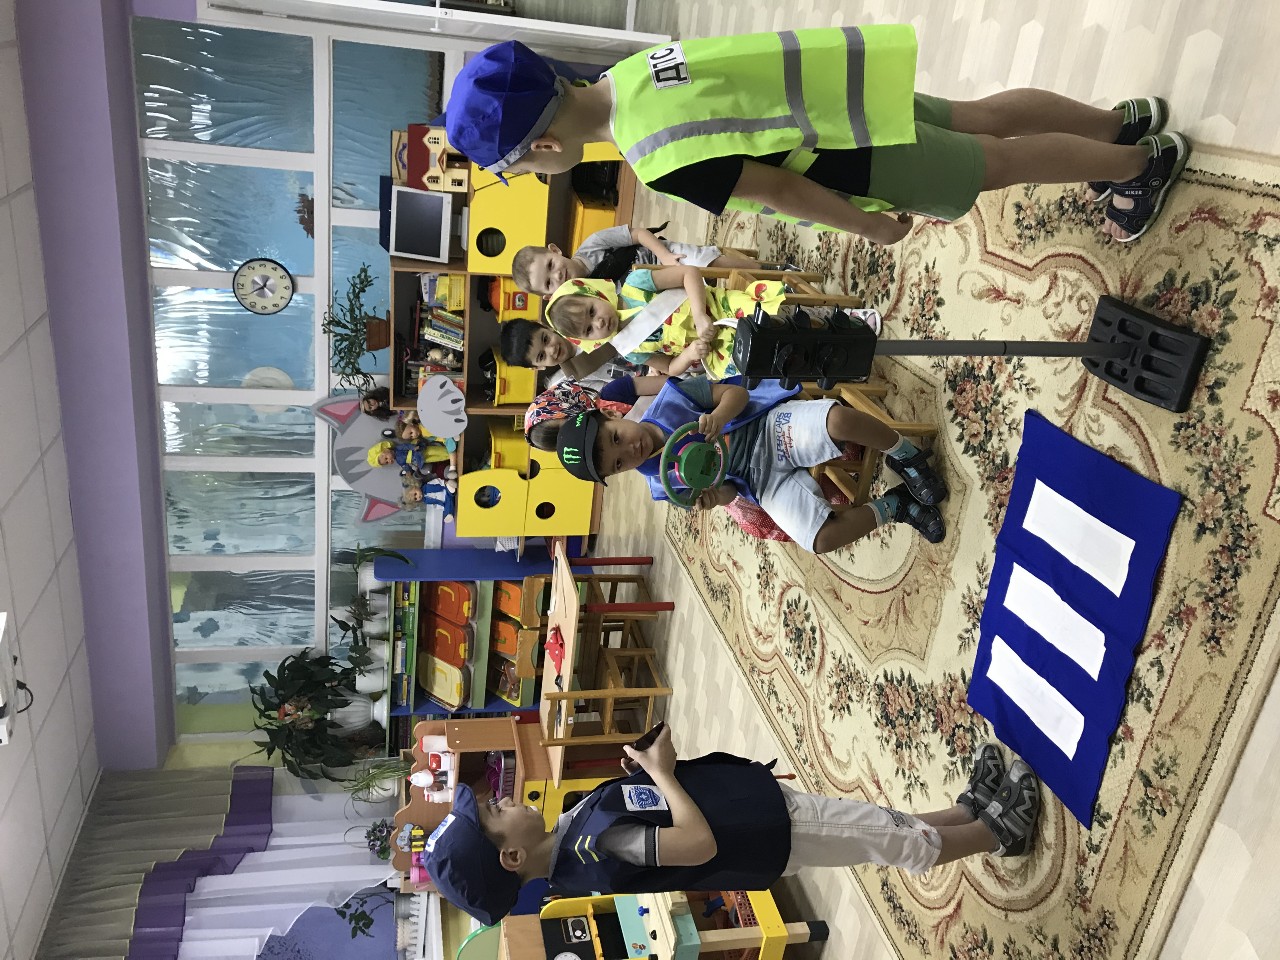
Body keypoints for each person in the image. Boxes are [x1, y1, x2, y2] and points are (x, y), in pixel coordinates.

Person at [444, 35, 1189, 245]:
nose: (536, 174)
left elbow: (777, 188)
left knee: (999, 161)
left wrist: (869, 225)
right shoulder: (636, 68)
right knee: (983, 116)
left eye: (522, 166)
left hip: (849, 155)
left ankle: (1139, 165)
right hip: (847, 101)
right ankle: (1117, 124)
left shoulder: (655, 158)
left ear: (543, 148)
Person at [422, 725, 1041, 926]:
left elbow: (646, 814)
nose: (502, 799)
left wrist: (640, 776)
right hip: (765, 831)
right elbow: (696, 845)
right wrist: (663, 774)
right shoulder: (597, 850)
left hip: (754, 811)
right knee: (886, 838)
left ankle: (967, 811)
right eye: (495, 813)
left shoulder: (570, 835)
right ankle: (996, 833)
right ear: (510, 857)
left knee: (876, 824)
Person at [555, 375, 947, 552]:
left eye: (616, 438)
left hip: (767, 430)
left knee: (838, 421)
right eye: (619, 464)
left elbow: (737, 394)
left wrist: (719, 417)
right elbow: (730, 492)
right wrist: (715, 497)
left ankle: (906, 455)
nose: (630, 451)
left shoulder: (671, 398)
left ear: (612, 414)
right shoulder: (663, 486)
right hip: (760, 481)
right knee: (821, 540)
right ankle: (896, 506)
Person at [544, 270, 790, 379]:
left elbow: (688, 274)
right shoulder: (629, 349)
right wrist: (689, 355)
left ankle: (796, 324)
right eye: (589, 330)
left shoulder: (635, 284)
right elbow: (670, 368)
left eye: (591, 311)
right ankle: (791, 361)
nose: (598, 322)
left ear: (595, 293)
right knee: (745, 366)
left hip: (718, 306)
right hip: (712, 347)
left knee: (758, 314)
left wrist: (700, 315)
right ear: (588, 341)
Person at [512, 222, 763, 298]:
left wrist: (665, 255)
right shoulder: (583, 298)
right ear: (549, 296)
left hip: (661, 258)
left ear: (555, 250)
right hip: (655, 292)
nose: (557, 275)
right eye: (548, 283)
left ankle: (764, 271)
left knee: (703, 262)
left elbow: (639, 234)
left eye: (550, 266)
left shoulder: (593, 243)